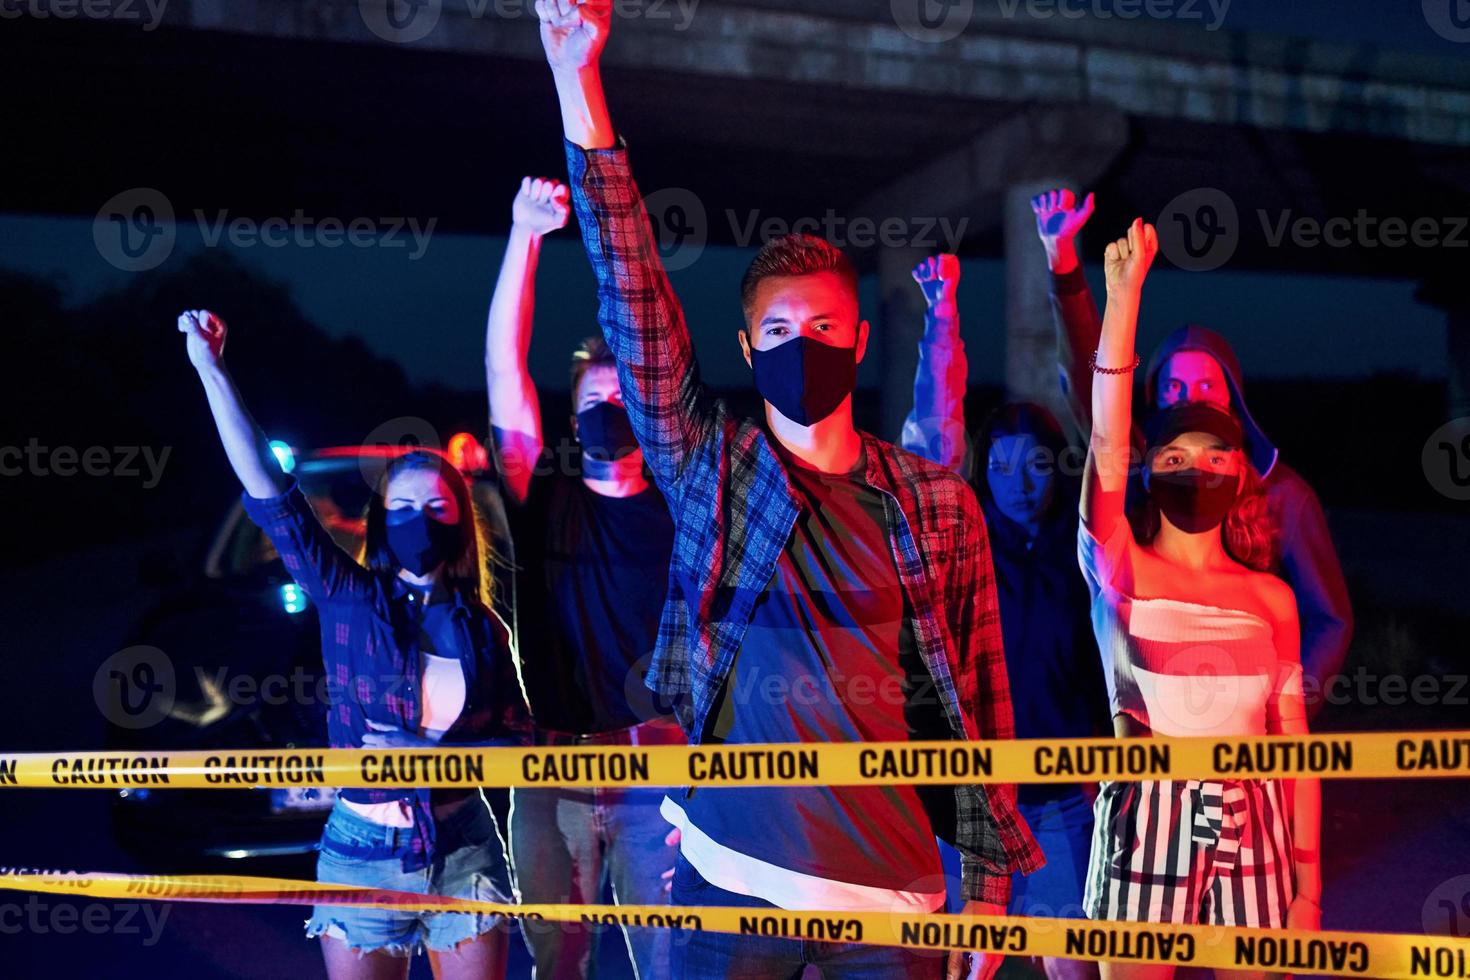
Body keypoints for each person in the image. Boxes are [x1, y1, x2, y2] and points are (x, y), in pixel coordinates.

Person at [536, 4, 1042, 978]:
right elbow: (631, 289)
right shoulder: (713, 472)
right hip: (730, 884)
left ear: (857, 340)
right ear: (743, 349)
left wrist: (988, 875)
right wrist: (579, 81)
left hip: (895, 903)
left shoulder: (935, 504)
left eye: (820, 329)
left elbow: (980, 697)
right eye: (775, 332)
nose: (797, 346)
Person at [177, 309, 530, 980]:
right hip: (362, 848)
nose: (417, 522)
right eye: (401, 509)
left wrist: (434, 757)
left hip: (465, 849)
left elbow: (519, 745)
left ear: (460, 524)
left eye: (435, 510)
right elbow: (271, 496)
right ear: (378, 519)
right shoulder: (349, 598)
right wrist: (212, 371)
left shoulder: (485, 629)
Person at [1079, 221, 1321, 978]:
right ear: (1148, 472)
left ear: (1242, 474)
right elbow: (1106, 441)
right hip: (1147, 814)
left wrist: (1308, 888)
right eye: (1176, 455)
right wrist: (1123, 300)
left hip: (1260, 823)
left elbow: (1299, 756)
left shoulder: (1270, 598)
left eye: (1217, 456)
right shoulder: (1120, 570)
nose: (1198, 468)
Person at [1032, 189, 1353, 713]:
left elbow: (1330, 619)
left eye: (1206, 388)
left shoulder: (1284, 492)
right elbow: (1098, 393)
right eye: (1174, 390)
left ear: (1233, 397)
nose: (1191, 402)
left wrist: (1286, 712)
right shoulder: (1137, 473)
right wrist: (1064, 264)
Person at [484, 175, 681, 980]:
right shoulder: (542, 498)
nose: (609, 411)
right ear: (573, 420)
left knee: (668, 960)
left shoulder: (679, 503)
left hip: (657, 760)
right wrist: (524, 237)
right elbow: (505, 369)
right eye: (595, 400)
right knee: (555, 961)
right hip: (551, 761)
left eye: (622, 398)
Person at [904, 255, 1108, 980]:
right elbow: (932, 429)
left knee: (1072, 969)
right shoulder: (961, 545)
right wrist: (942, 317)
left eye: (1036, 466)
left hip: (1061, 801)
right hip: (970, 799)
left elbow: (1104, 421)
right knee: (960, 969)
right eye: (999, 465)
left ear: (1060, 467)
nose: (1016, 482)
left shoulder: (1086, 557)